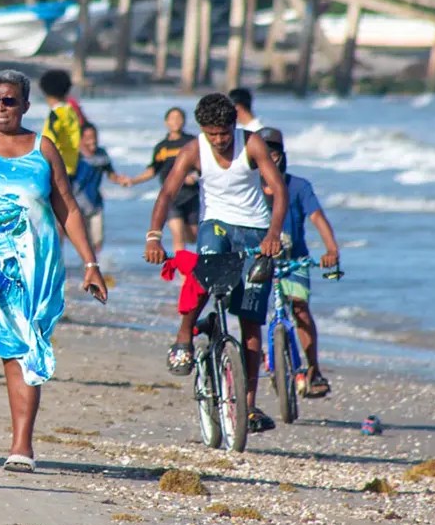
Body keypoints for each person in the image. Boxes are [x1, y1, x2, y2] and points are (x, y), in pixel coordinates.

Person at [0, 70, 108, 472]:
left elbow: (66, 205)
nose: (0, 108)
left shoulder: (42, 148)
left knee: (25, 352)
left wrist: (90, 263)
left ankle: (21, 444)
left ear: (26, 105)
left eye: (9, 101)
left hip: (32, 269)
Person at [143, 93, 287, 434]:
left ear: (233, 126)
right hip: (216, 224)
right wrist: (153, 235)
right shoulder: (194, 150)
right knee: (205, 267)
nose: (220, 140)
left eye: (224, 133)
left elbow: (279, 190)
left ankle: (248, 404)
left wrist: (273, 234)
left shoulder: (251, 144)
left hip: (254, 229)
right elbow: (167, 193)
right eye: (212, 134)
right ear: (203, 130)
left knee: (251, 320)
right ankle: (184, 334)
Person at [258, 127, 339, 398]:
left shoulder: (299, 186)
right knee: (249, 310)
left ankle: (314, 369)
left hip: (294, 260)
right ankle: (255, 356)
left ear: (282, 155)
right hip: (258, 259)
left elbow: (317, 217)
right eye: (265, 151)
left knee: (300, 309)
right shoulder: (249, 187)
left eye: (275, 151)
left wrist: (331, 249)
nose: (271, 156)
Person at [125, 107, 200, 252]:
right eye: (172, 118)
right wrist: (132, 181)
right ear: (166, 122)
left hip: (191, 196)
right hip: (171, 197)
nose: (176, 121)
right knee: (177, 235)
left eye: (179, 118)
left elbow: (204, 165)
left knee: (193, 236)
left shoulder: (192, 142)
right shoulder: (162, 147)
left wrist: (195, 177)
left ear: (184, 121)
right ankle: (183, 274)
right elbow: (153, 170)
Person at [73, 123, 129, 255]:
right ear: (80, 139)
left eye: (94, 137)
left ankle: (94, 268)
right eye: (87, 137)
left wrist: (121, 179)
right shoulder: (74, 156)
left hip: (95, 203)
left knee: (97, 241)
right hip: (75, 205)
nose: (92, 140)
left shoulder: (101, 154)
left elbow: (111, 174)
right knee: (81, 241)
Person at [38, 69, 83, 177]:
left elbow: (49, 141)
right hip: (71, 165)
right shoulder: (70, 111)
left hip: (57, 169)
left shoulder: (56, 114)